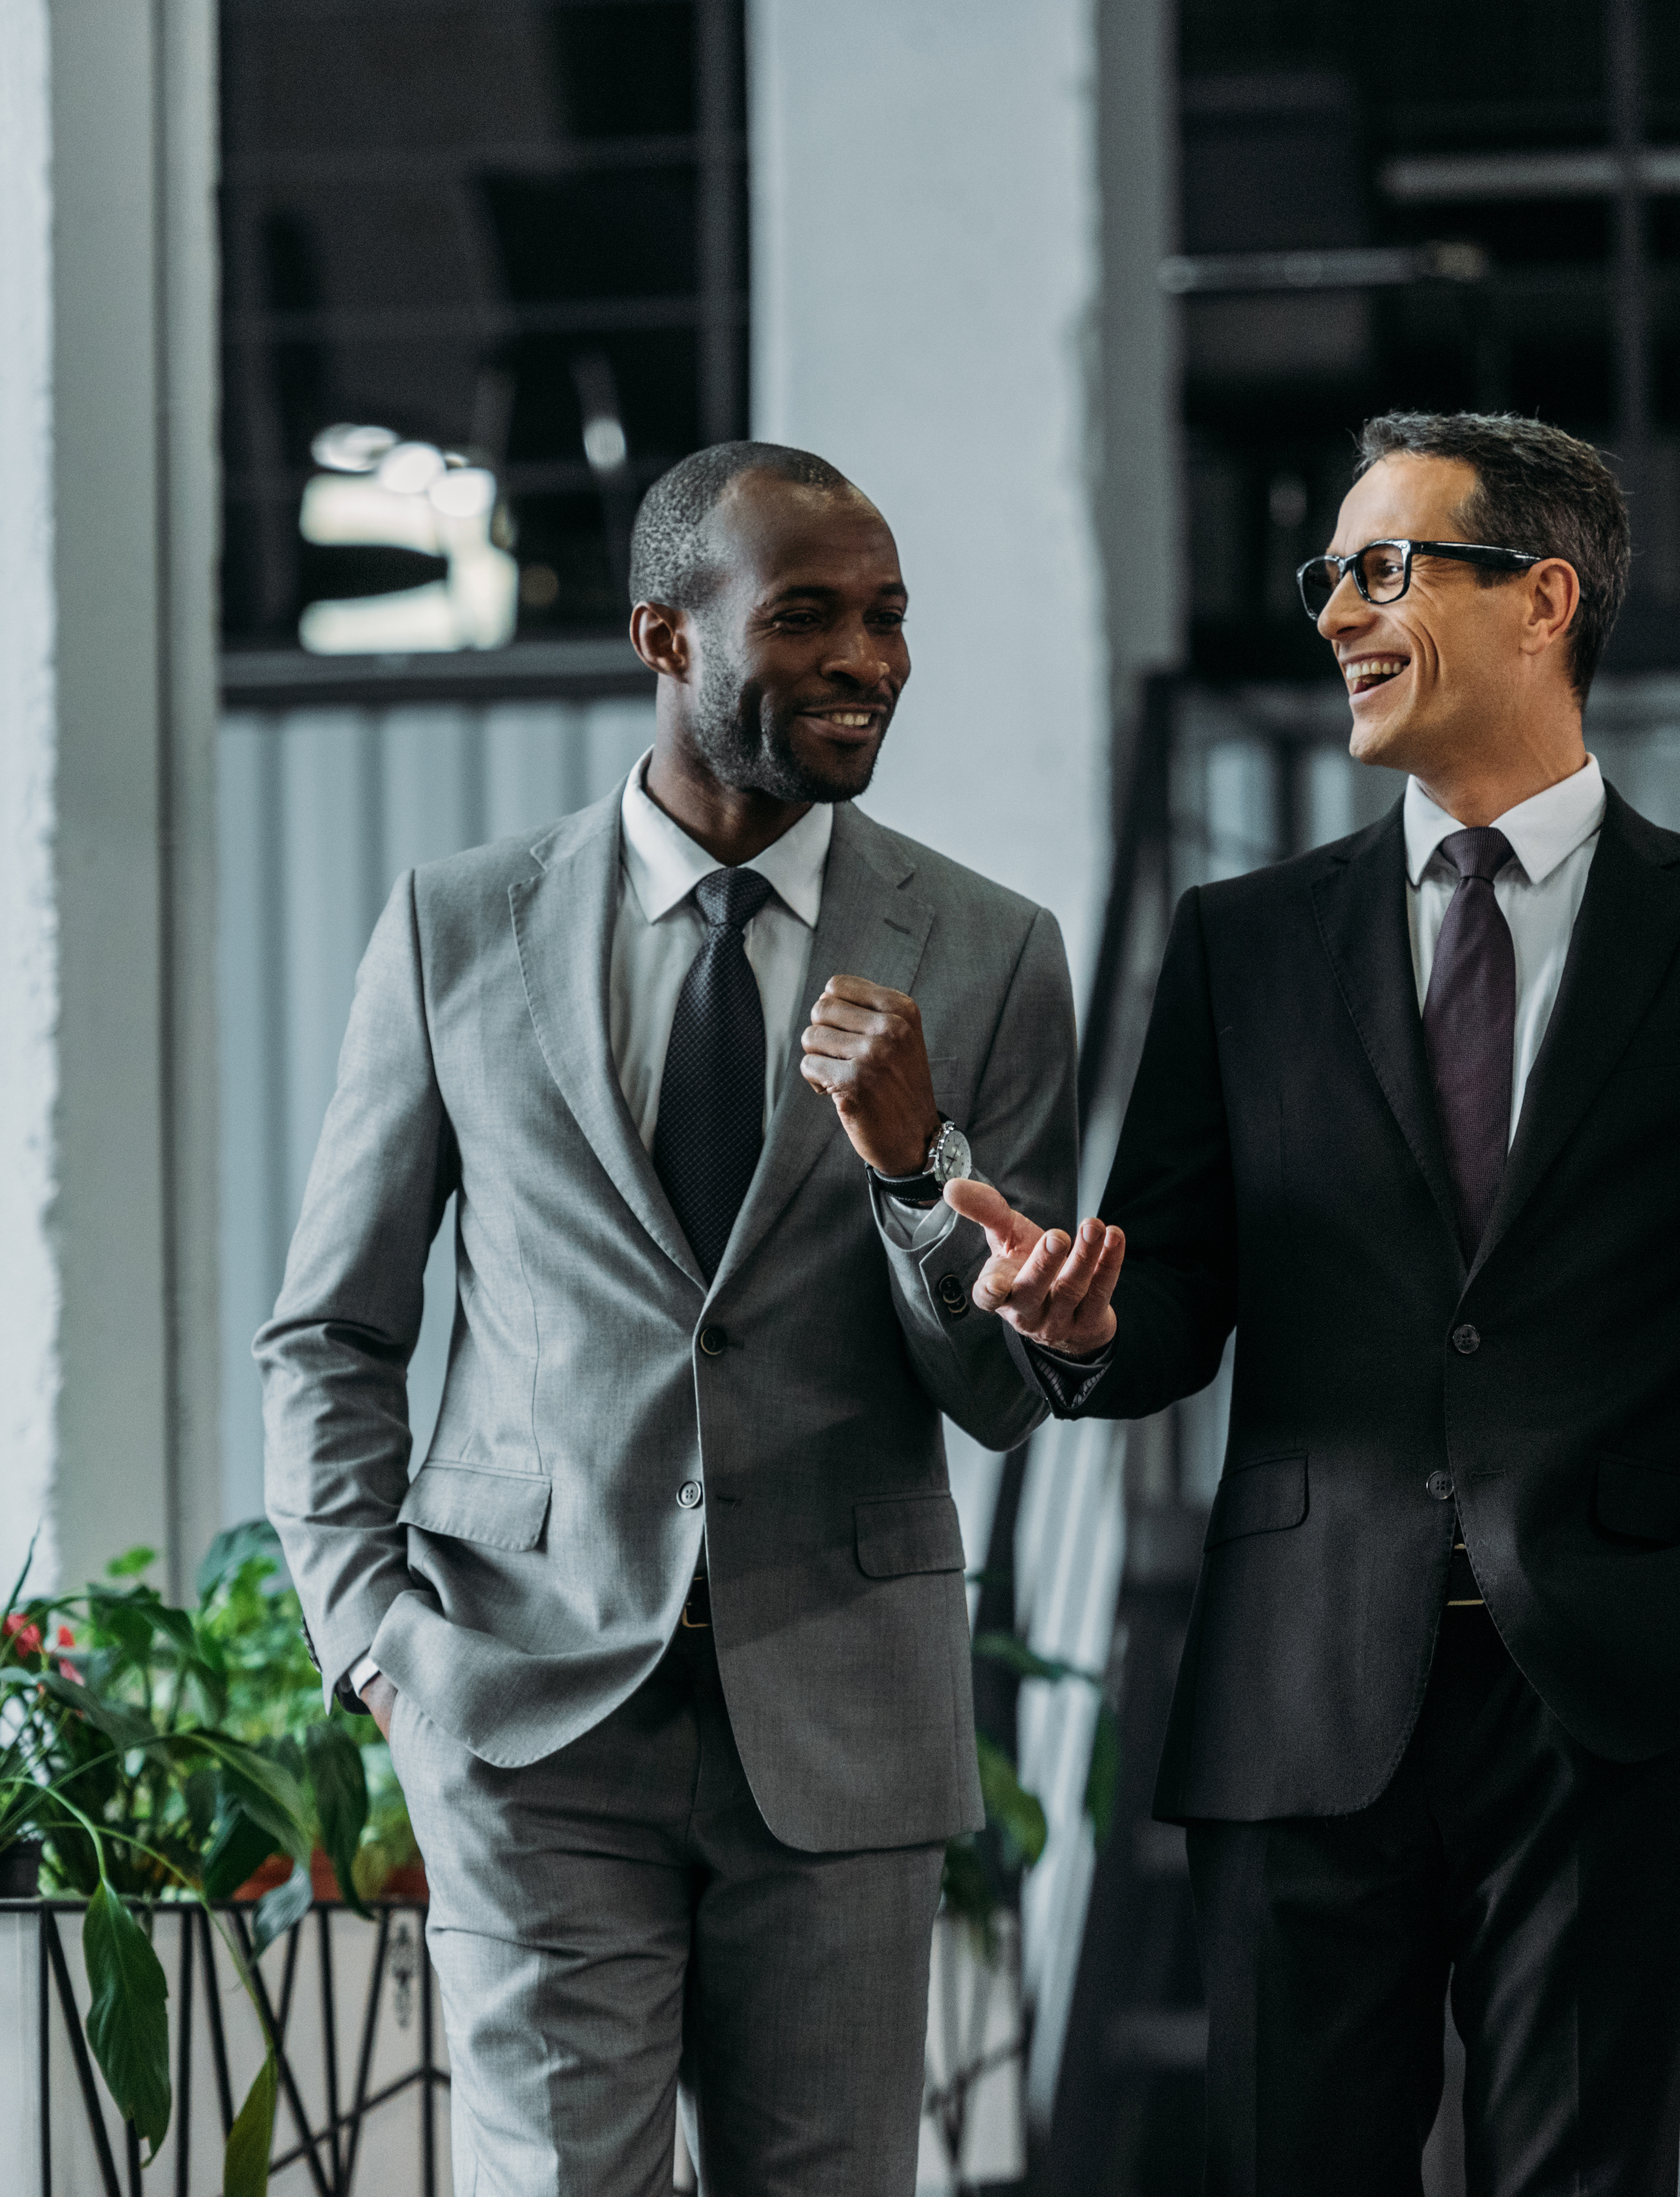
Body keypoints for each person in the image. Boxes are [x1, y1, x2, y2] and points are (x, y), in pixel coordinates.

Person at [959, 411, 1680, 2194]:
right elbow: (1174, 1295)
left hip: (1614, 1690)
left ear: (1544, 597)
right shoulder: (1241, 946)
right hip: (1297, 1687)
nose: (1336, 608)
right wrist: (1085, 1327)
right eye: (1326, 574)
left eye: (1384, 567)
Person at [259, 441, 1079, 2194]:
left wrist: (920, 1166)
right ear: (664, 635)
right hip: (524, 1706)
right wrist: (379, 1647)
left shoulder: (994, 953)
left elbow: (1000, 1390)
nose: (870, 658)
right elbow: (332, 1330)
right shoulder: (455, 928)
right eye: (807, 617)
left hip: (842, 1718)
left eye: (888, 617)